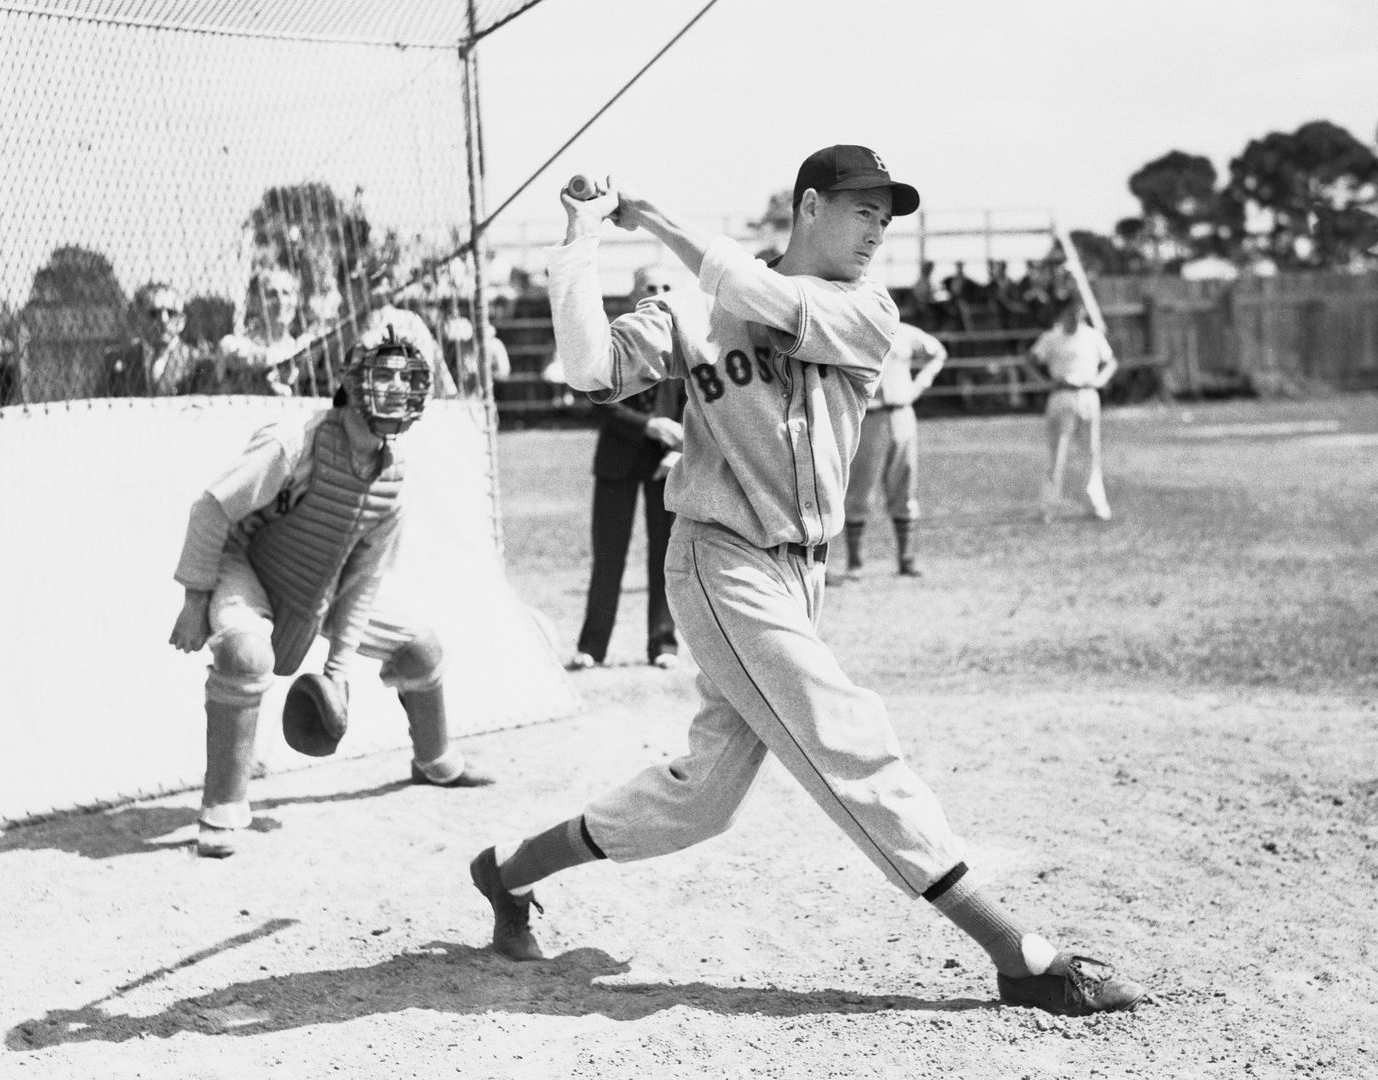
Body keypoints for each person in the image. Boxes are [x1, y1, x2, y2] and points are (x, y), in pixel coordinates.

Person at [467, 146, 1147, 1016]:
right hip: (721, 559)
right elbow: (590, 369)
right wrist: (579, 242)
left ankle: (508, 873)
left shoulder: (866, 310)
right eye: (862, 210)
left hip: (802, 573)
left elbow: (765, 299)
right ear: (810, 206)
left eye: (885, 216)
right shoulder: (691, 301)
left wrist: (665, 221)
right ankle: (1017, 952)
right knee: (846, 733)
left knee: (702, 801)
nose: (876, 230)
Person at [167, 325, 493, 859]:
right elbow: (210, 508)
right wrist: (195, 600)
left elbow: (363, 581)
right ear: (350, 379)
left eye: (408, 379)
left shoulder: (394, 479)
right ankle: (223, 808)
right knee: (247, 655)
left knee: (421, 649)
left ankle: (435, 760)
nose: (395, 389)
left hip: (319, 584)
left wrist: (338, 676)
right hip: (247, 562)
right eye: (382, 374)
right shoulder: (293, 440)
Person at [568, 265, 688, 671]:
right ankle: (592, 646)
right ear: (634, 292)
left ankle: (663, 644)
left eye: (666, 286)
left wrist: (678, 451)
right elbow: (598, 395)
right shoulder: (611, 336)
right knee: (608, 557)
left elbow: (700, 402)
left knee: (665, 556)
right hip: (617, 459)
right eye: (649, 286)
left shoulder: (688, 338)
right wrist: (648, 425)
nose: (658, 292)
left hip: (666, 463)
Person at [836, 312, 948, 581]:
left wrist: (919, 385)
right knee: (859, 486)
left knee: (904, 482)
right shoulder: (852, 330)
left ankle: (906, 558)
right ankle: (855, 561)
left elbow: (938, 353)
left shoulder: (905, 333)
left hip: (901, 411)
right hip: (869, 415)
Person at [1029, 292, 1118, 522]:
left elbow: (1110, 361)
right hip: (1062, 394)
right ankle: (1048, 505)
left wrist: (1099, 381)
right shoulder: (1052, 337)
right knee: (1056, 453)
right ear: (1062, 313)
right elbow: (1030, 360)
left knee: (1091, 451)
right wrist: (1045, 383)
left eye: (1080, 312)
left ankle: (1096, 502)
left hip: (1087, 394)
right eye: (1072, 312)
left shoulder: (1092, 336)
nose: (1077, 317)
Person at [104, 283, 217, 398]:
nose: (163, 320)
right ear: (139, 319)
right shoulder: (116, 359)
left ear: (182, 321)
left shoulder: (199, 363)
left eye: (171, 312)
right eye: (153, 313)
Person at [218, 267, 306, 396]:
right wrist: (275, 359)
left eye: (286, 293)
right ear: (255, 301)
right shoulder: (238, 345)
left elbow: (309, 359)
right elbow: (228, 352)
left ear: (296, 300)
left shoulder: (299, 347)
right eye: (272, 294)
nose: (281, 301)